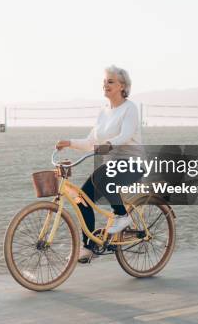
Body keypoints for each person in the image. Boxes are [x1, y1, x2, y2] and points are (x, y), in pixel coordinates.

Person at [56, 65, 142, 263]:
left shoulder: (130, 108)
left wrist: (108, 145)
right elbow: (90, 142)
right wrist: (68, 143)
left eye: (110, 81)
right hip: (111, 166)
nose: (106, 85)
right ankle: (89, 247)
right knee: (81, 199)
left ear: (122, 86)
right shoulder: (103, 113)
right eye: (104, 81)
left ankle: (122, 216)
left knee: (105, 180)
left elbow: (126, 135)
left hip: (132, 163)